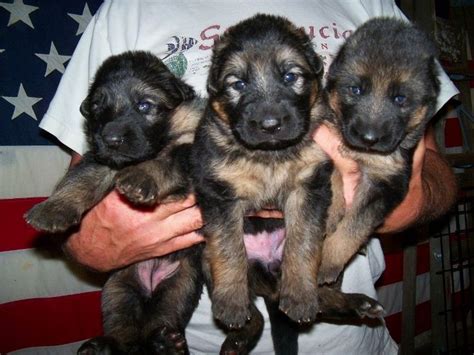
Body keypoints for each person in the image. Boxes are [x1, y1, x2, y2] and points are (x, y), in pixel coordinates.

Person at [39, 0, 458, 353]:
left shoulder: (373, 5)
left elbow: (433, 167)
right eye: (237, 83)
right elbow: (96, 167)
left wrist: (394, 200)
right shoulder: (127, 9)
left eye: (292, 76)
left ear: (318, 75)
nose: (271, 115)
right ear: (214, 93)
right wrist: (88, 241)